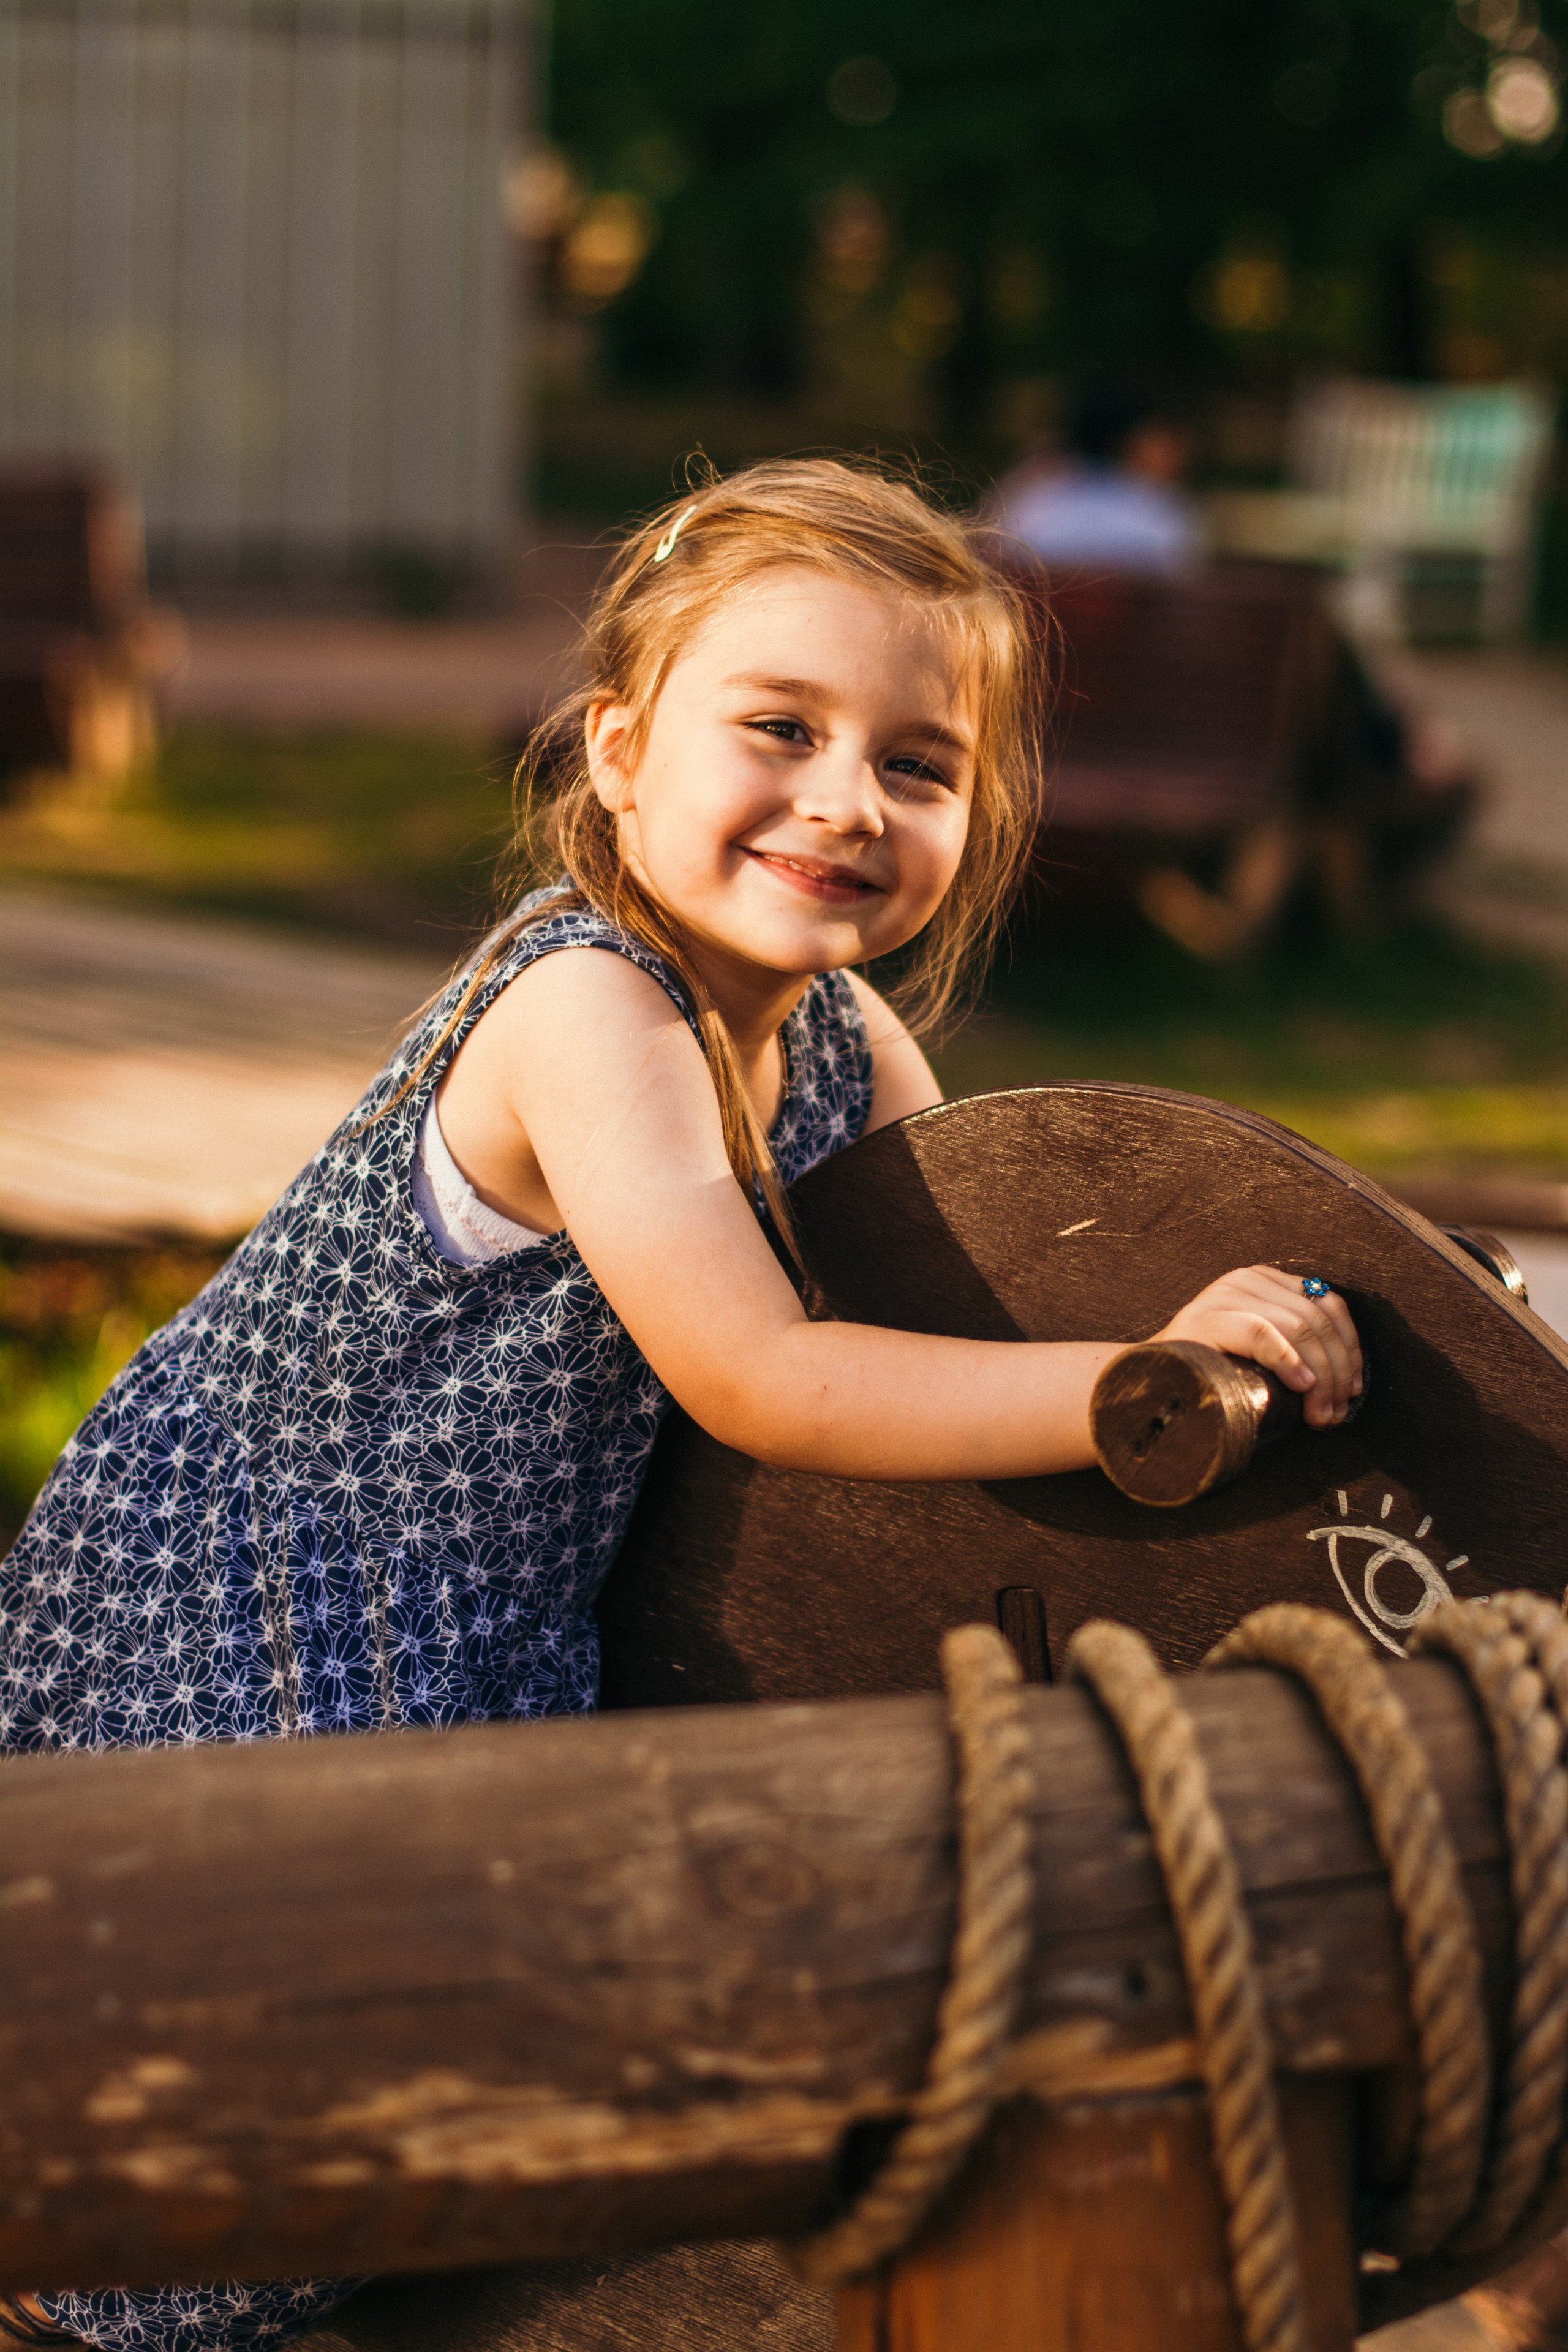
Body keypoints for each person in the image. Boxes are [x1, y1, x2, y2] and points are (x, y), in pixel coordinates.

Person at [0, 457, 1362, 2351]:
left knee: (406, 2108)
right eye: (780, 728)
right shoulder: (587, 1011)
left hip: (479, 1613)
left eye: (917, 762)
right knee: (227, 2089)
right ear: (625, 754)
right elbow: (768, 1372)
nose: (843, 801)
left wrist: (1178, 1312)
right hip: (273, 1583)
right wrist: (1127, 1390)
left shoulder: (839, 1038)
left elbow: (965, 1311)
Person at [989, 373, 1205, 576]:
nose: (1181, 452)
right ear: (1130, 440)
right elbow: (1182, 567)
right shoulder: (1162, 508)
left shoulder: (1040, 493)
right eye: (1165, 441)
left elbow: (995, 548)